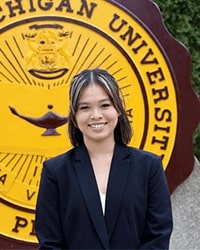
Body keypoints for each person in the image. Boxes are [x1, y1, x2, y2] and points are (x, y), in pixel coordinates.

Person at [35, 68, 173, 249]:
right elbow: (50, 243)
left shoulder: (149, 167)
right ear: (74, 117)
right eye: (85, 107)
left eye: (105, 105)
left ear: (118, 109)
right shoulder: (56, 172)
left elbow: (158, 237)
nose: (96, 115)